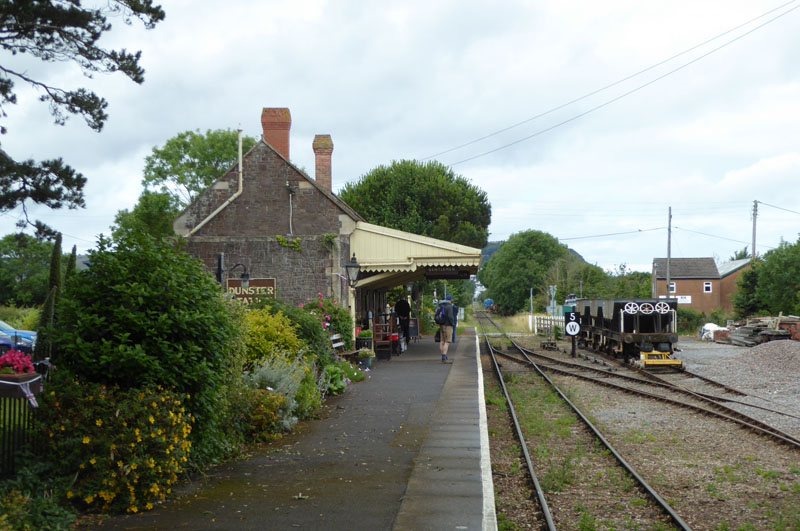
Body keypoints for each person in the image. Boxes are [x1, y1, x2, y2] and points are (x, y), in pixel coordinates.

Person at [437, 295, 456, 363]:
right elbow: (450, 316)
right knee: (447, 342)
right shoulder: (449, 306)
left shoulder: (441, 305)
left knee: (442, 341)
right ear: (450, 300)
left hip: (441, 325)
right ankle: (444, 357)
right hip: (448, 325)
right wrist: (453, 324)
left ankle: (443, 355)